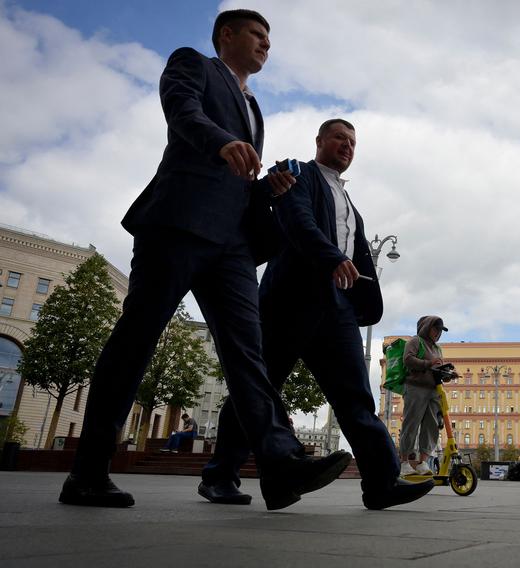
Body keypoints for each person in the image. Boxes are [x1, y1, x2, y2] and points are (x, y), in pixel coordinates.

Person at [60, 9, 352, 510]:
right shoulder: (192, 64)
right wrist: (223, 141)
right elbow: (183, 113)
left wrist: (267, 189)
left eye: (269, 37)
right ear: (227, 35)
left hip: (233, 246)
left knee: (248, 355)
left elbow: (236, 180)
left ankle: (281, 468)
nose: (266, 44)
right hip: (177, 224)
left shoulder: (255, 108)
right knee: (137, 339)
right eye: (258, 34)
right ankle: (87, 472)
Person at [204, 118, 434, 510]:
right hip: (290, 301)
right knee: (259, 387)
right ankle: (220, 475)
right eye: (339, 139)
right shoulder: (301, 174)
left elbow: (355, 248)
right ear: (320, 141)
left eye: (353, 143)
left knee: (356, 397)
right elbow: (297, 221)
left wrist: (358, 291)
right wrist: (331, 257)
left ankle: (381, 483)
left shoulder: (349, 202)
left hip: (337, 308)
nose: (347, 147)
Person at [399, 316, 449, 476]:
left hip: (434, 390)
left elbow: (437, 368)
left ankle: (423, 463)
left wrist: (448, 373)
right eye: (436, 329)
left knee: (431, 426)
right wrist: (429, 364)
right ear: (427, 327)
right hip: (415, 388)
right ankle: (404, 463)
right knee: (411, 424)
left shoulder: (437, 349)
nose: (438, 333)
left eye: (440, 331)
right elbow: (407, 360)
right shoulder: (415, 342)